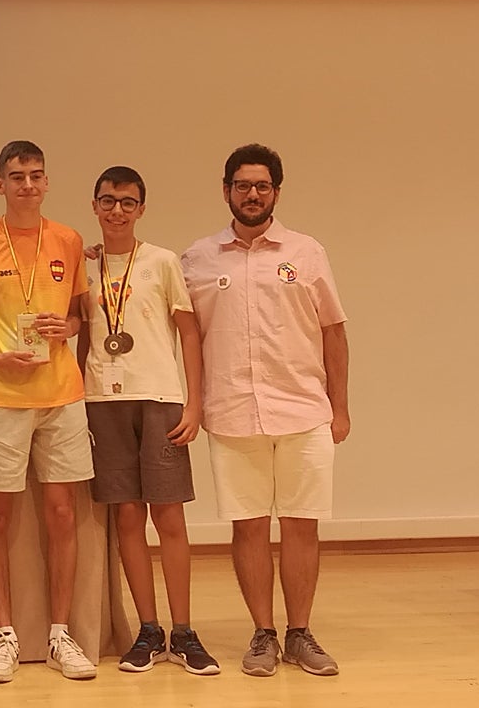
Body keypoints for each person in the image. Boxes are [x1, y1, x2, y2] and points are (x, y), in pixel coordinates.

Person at [180, 144, 350, 678]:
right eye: (241, 185)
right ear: (225, 188)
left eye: (262, 186)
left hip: (303, 409)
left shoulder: (307, 252)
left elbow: (333, 332)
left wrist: (339, 408)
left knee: (302, 526)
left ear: (276, 190)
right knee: (248, 527)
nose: (251, 194)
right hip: (230, 413)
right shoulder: (197, 259)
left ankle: (300, 632)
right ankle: (263, 633)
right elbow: (182, 337)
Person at [0, 140, 97, 683]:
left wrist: (67, 328)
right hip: (2, 397)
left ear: (47, 181)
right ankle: (4, 636)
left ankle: (60, 634)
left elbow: (79, 317)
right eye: (16, 176)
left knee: (61, 516)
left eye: (36, 175)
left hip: (62, 396)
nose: (27, 184)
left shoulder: (69, 239)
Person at [78, 166, 220, 676]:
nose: (117, 210)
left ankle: (184, 632)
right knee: (128, 519)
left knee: (170, 518)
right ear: (94, 205)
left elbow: (189, 334)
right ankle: (148, 629)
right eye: (108, 200)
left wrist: (194, 404)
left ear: (142, 208)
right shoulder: (80, 265)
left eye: (128, 202)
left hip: (159, 398)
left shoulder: (161, 262)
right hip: (101, 401)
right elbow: (81, 336)